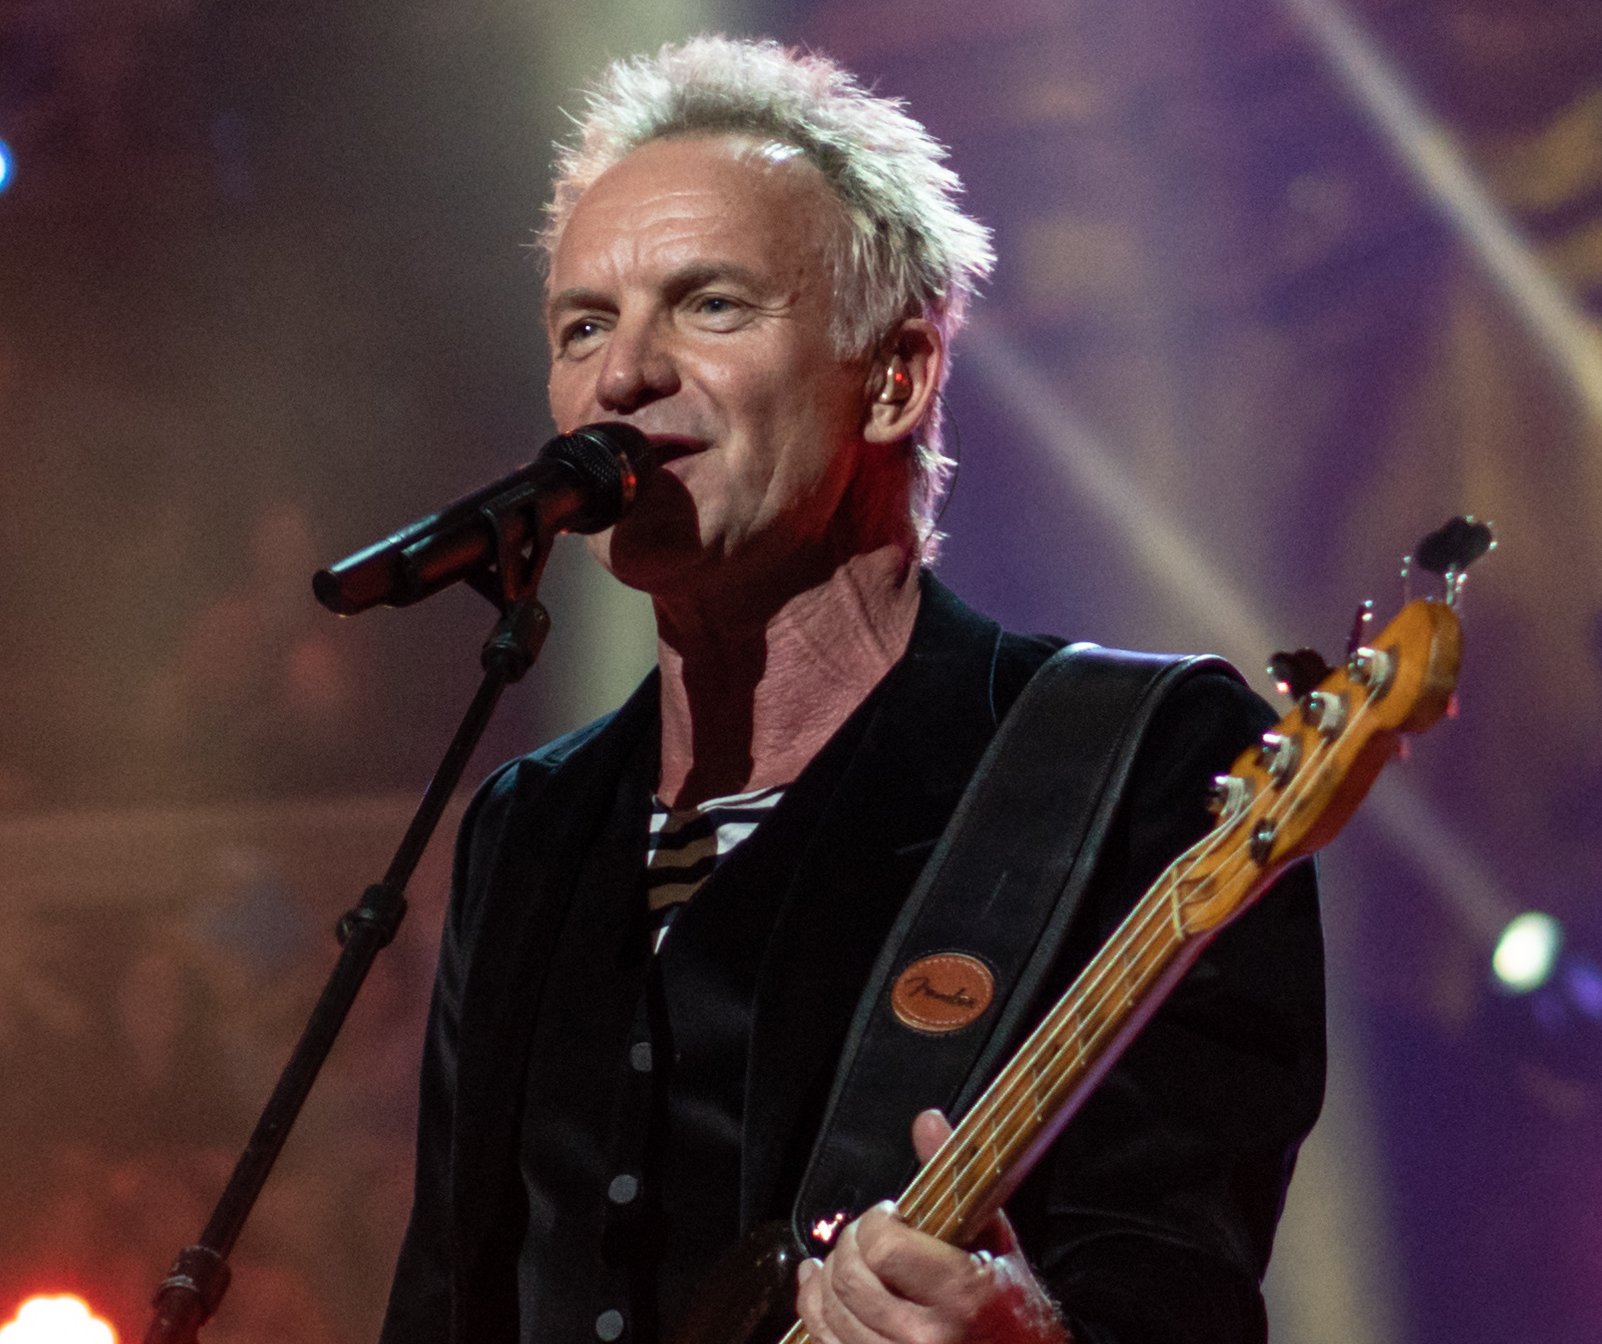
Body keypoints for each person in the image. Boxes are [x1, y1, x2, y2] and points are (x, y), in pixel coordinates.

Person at [380, 35, 1324, 1344]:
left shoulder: (1129, 762)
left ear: (894, 379)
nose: (619, 377)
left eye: (708, 305)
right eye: (582, 325)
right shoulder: (526, 823)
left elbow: (1175, 1279)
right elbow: (451, 1297)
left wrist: (1025, 1338)